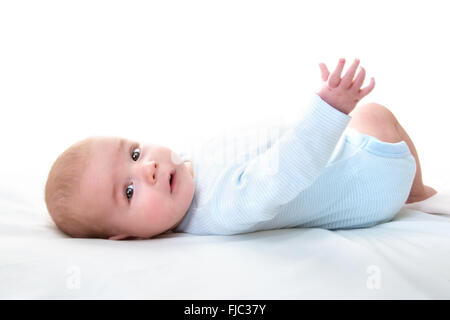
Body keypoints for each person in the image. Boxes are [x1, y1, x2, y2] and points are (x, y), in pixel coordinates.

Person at [44, 58, 444, 240]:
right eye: (128, 192)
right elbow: (283, 173)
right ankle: (416, 192)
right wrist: (329, 110)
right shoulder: (222, 207)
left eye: (133, 153)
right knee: (374, 114)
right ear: (125, 238)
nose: (146, 168)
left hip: (356, 169)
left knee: (371, 118)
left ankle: (413, 191)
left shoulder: (177, 179)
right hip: (371, 183)